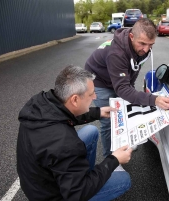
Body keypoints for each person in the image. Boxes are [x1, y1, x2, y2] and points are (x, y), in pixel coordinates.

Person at [17, 65, 133, 201]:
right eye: (91, 94)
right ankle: (84, 179)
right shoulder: (65, 143)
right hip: (54, 195)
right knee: (123, 180)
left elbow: (64, 114)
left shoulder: (41, 103)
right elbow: (77, 193)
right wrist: (114, 160)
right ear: (75, 99)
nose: (95, 96)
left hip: (36, 182)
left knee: (91, 131)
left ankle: (80, 174)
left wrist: (98, 112)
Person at [85, 18, 169, 157]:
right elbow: (122, 89)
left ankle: (122, 143)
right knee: (109, 121)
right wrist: (154, 100)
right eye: (142, 44)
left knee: (124, 110)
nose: (146, 49)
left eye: (151, 45)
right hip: (99, 80)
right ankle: (110, 158)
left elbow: (132, 72)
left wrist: (130, 90)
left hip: (116, 77)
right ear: (132, 37)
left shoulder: (141, 49)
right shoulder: (116, 53)